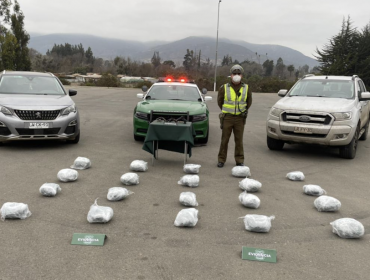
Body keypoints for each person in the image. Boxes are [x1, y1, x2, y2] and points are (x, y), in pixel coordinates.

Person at [217, 65, 252, 168]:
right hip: (227, 117)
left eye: (238, 74)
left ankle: (239, 160)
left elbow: (248, 102)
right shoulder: (224, 88)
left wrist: (242, 111)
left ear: (241, 75)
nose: (236, 76)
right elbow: (220, 102)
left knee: (239, 141)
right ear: (231, 75)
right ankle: (221, 160)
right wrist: (227, 111)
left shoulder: (246, 88)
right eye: (234, 74)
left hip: (240, 118)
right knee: (224, 140)